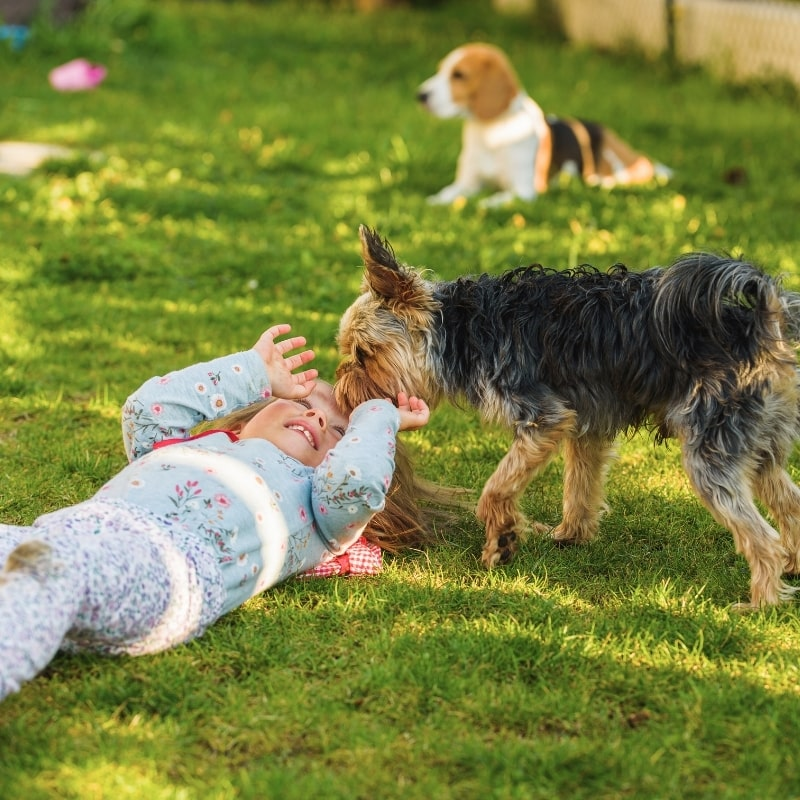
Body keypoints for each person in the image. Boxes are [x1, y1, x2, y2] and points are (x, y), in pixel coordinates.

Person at [0, 324, 430, 701]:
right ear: (247, 421)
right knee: (29, 558)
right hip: (71, 528)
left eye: (342, 431)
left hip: (169, 566)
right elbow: (147, 411)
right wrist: (255, 373)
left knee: (49, 576)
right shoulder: (204, 444)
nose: (317, 417)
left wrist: (377, 417)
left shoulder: (322, 507)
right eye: (301, 403)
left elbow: (355, 480)